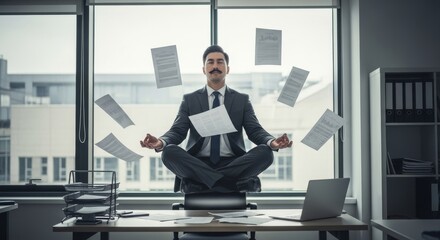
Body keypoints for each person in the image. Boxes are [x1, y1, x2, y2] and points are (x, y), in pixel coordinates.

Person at [140, 45, 292, 193]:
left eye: (220, 62)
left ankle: (204, 183)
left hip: (233, 163)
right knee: (168, 152)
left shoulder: (242, 100)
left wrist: (272, 142)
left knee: (266, 152)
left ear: (227, 69)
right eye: (210, 62)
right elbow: (178, 131)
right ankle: (230, 184)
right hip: (198, 163)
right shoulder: (190, 100)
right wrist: (160, 142)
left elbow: (254, 130)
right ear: (204, 69)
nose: (215, 66)